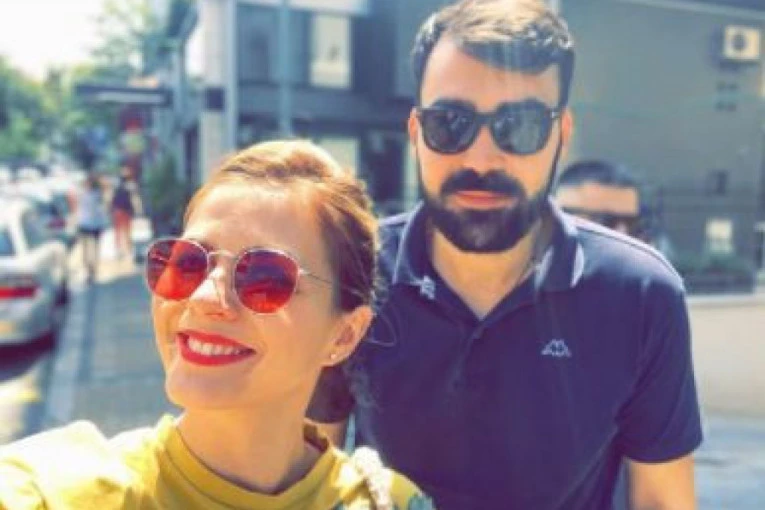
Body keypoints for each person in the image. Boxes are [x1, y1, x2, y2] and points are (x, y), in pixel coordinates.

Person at [308, 1, 702, 508]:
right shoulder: (354, 269)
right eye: (450, 122)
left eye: (521, 125)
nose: (481, 158)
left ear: (561, 135)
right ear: (416, 133)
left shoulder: (640, 293)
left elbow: (662, 501)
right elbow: (309, 474)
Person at [0, 141, 432, 510]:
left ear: (345, 334)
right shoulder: (59, 489)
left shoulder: (389, 501)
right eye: (186, 263)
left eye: (265, 278)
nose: (205, 297)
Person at [75, 173, 108, 283]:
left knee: (92, 249)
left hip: (92, 224)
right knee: (87, 250)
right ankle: (90, 270)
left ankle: (92, 270)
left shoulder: (95, 195)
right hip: (86, 224)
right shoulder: (88, 194)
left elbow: (102, 209)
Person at [110, 166, 142, 260]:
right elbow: (134, 198)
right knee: (127, 231)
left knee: (119, 231)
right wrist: (138, 209)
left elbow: (112, 198)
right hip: (126, 210)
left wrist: (111, 208)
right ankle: (127, 249)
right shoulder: (131, 185)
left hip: (118, 210)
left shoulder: (116, 185)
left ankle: (120, 250)